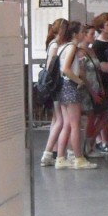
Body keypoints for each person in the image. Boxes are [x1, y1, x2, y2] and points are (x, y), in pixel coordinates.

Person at [56, 22, 98, 170]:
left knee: (67, 124)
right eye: (82, 32)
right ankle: (78, 158)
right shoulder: (72, 47)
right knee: (75, 125)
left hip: (62, 86)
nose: (83, 35)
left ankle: (60, 157)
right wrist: (80, 81)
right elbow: (67, 69)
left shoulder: (62, 47)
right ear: (75, 34)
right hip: (70, 86)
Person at [90, 13, 108, 155]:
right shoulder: (97, 45)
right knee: (104, 114)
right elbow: (103, 67)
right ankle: (102, 141)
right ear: (101, 27)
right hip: (104, 82)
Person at [39, 18, 66, 167]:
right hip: (55, 86)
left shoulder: (52, 44)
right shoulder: (55, 45)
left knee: (56, 120)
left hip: (52, 86)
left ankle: (53, 150)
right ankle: (48, 152)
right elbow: (51, 67)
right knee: (60, 120)